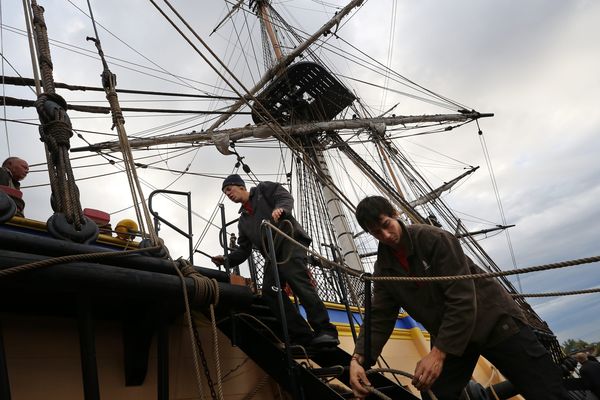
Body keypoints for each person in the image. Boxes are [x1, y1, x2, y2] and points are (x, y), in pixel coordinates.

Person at [348, 196, 569, 400]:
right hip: (454, 337)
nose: (385, 236)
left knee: (546, 391)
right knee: (435, 393)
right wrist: (358, 359)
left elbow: (461, 298)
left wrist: (438, 353)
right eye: (376, 232)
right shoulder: (384, 269)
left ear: (395, 214)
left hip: (494, 322)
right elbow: (380, 317)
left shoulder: (435, 239)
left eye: (386, 225)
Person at [211, 174, 339, 348]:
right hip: (272, 254)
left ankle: (325, 330)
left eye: (229, 189)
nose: (228, 194)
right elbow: (243, 250)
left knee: (297, 281)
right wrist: (226, 259)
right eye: (226, 193)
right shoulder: (243, 221)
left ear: (240, 186)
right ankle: (302, 335)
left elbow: (284, 197)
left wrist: (281, 209)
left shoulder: (264, 190)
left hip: (289, 240)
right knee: (269, 292)